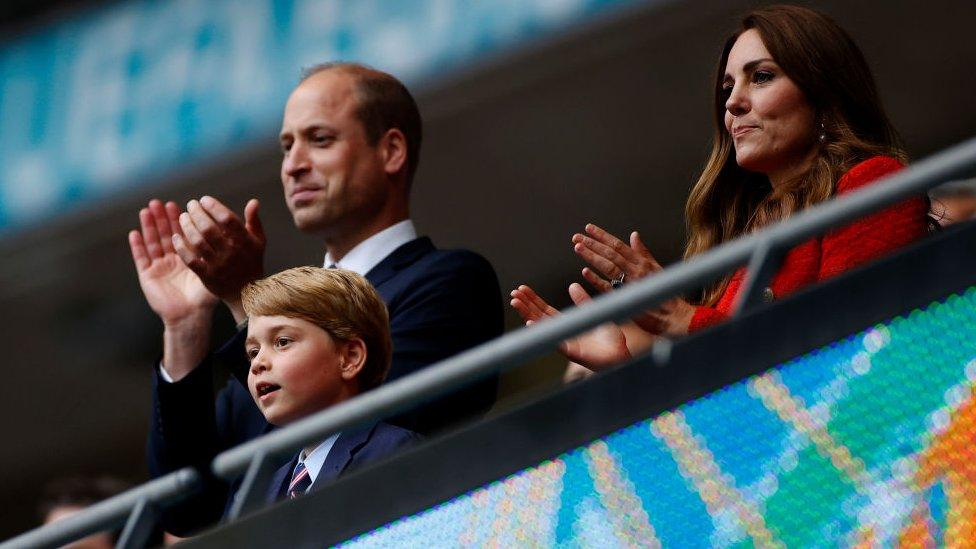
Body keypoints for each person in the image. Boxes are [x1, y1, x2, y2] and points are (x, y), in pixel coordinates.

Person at [130, 63, 501, 534]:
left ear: (390, 150)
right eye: (287, 146)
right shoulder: (264, 344)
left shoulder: (449, 281)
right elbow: (185, 510)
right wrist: (185, 327)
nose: (293, 164)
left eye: (319, 139)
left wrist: (250, 304)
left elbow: (359, 441)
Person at [512, 5, 928, 371]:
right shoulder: (743, 238)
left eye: (761, 77)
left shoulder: (872, 181)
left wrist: (680, 319)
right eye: (728, 88)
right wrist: (624, 370)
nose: (732, 103)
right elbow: (737, 409)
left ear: (822, 94)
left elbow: (849, 353)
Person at [236, 266, 419, 508]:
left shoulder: (394, 453)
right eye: (253, 352)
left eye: (282, 342)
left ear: (350, 357)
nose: (258, 363)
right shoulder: (265, 487)